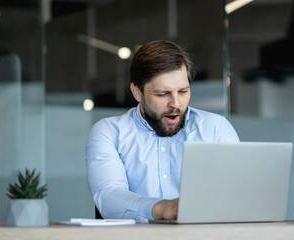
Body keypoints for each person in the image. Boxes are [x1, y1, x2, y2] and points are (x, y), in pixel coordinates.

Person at [86, 40, 239, 223]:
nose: (176, 103)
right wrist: (165, 208)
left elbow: (235, 194)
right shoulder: (109, 132)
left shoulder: (216, 128)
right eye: (162, 94)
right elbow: (109, 198)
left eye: (183, 91)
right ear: (137, 92)